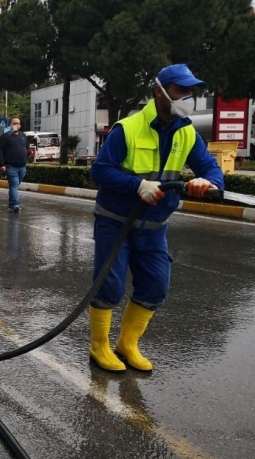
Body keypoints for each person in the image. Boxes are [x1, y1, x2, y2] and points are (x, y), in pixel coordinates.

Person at [88, 64, 224, 373]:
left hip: (153, 228)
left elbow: (210, 167)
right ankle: (99, 347)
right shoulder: (129, 128)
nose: (187, 97)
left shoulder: (187, 132)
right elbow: (100, 169)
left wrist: (210, 183)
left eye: (190, 91)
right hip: (116, 222)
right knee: (109, 286)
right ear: (159, 91)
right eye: (180, 90)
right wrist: (137, 184)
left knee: (155, 286)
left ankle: (127, 344)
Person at [0, 116, 30, 213]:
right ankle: (16, 204)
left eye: (17, 123)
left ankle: (11, 205)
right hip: (11, 167)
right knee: (15, 185)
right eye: (14, 123)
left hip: (22, 167)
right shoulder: (5, 137)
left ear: (20, 125)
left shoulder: (23, 136)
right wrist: (2, 164)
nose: (16, 125)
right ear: (10, 125)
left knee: (14, 186)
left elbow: (26, 148)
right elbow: (0, 151)